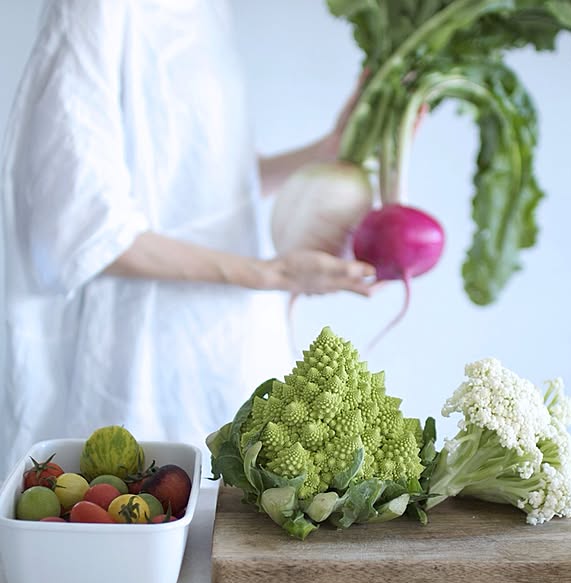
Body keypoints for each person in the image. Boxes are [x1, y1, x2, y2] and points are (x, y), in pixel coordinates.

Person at [0, 0, 376, 478]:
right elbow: (83, 228)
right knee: (142, 514)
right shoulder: (96, 10)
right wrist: (271, 273)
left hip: (229, 348)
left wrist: (327, 151)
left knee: (238, 530)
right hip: (141, 360)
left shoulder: (209, 9)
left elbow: (210, 181)